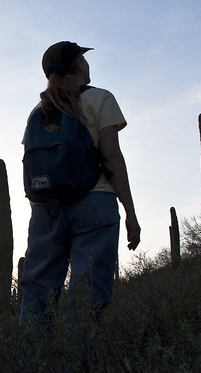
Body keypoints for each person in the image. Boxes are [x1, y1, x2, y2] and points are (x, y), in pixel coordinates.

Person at [19, 41, 141, 328]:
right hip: (94, 202)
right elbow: (112, 158)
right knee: (86, 295)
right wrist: (130, 212)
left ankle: (30, 369)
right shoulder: (100, 98)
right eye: (83, 59)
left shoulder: (38, 111)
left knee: (37, 295)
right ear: (77, 65)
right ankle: (75, 369)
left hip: (45, 211)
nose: (87, 64)